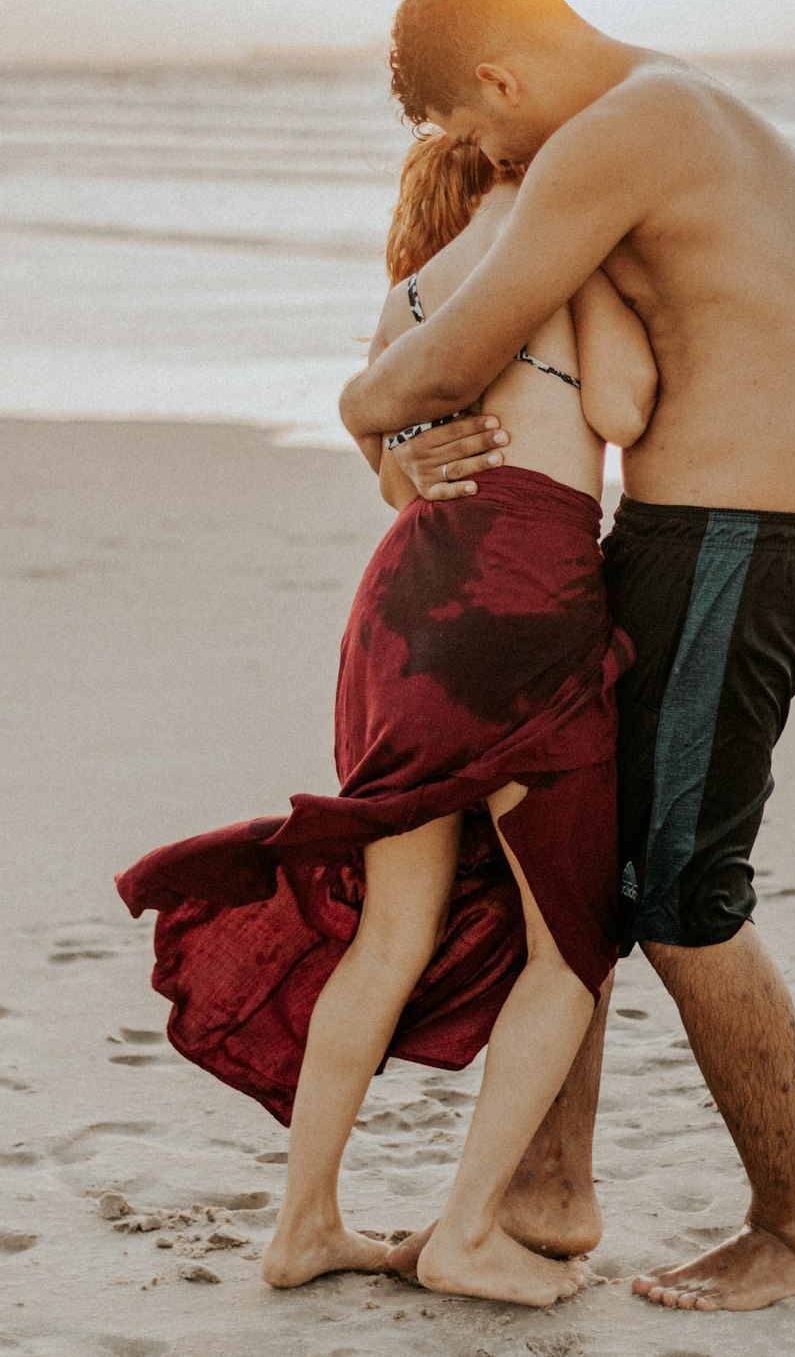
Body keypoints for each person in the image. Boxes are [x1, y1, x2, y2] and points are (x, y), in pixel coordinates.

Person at [338, 0, 795, 1315]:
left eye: (471, 129)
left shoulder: (629, 128)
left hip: (735, 549)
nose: (485, 155)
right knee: (569, 881)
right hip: (684, 541)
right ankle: (545, 1196)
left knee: (685, 903)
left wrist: (357, 405)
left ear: (502, 78)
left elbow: (452, 355)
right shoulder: (678, 111)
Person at [115, 130, 657, 1309]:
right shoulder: (556, 260)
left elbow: (392, 469)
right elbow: (623, 401)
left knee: (390, 935)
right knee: (571, 941)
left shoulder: (411, 292)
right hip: (522, 603)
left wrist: (412, 443)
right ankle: (467, 1231)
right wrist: (609, 268)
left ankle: (304, 1227)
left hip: (401, 611)